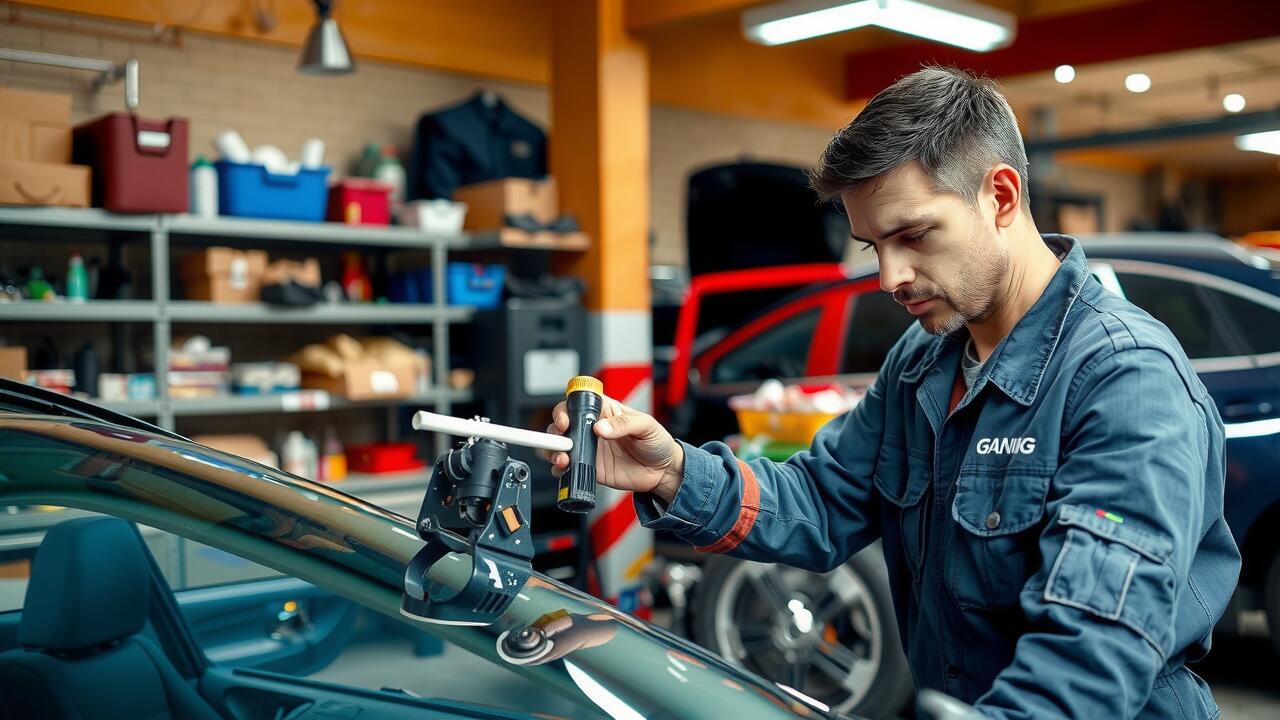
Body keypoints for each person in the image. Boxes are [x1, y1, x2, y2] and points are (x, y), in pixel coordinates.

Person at [545, 66, 1240, 719]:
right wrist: (671, 470)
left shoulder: (1125, 379)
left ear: (999, 196)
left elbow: (1092, 651)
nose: (890, 277)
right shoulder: (923, 362)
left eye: (913, 235)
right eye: (873, 245)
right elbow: (822, 500)